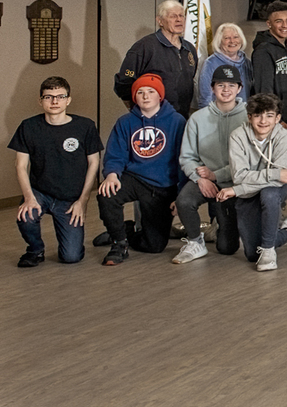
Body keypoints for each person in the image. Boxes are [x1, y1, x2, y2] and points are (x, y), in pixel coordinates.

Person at [221, 93, 287, 272]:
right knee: (251, 254)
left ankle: (268, 250)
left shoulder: (283, 136)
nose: (263, 121)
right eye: (257, 115)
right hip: (247, 192)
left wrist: (237, 190)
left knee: (270, 193)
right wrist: (272, 175)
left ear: (278, 118)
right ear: (249, 117)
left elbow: (280, 180)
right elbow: (240, 177)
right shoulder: (237, 136)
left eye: (269, 115)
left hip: (274, 190)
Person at [97, 74, 187, 265]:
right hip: (135, 177)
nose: (145, 96)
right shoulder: (125, 122)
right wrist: (112, 175)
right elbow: (115, 154)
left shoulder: (177, 121)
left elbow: (183, 161)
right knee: (107, 194)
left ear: (160, 96)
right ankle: (118, 242)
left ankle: (126, 231)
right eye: (140, 92)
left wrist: (180, 195)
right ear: (134, 97)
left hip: (163, 185)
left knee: (154, 246)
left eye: (151, 92)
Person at [11, 77, 101, 267]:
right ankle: (35, 250)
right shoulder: (28, 126)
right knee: (26, 215)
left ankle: (72, 242)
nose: (54, 101)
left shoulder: (85, 126)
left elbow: (94, 163)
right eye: (48, 97)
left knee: (71, 257)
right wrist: (29, 198)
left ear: (68, 100)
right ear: (40, 100)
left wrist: (82, 201)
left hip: (69, 198)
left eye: (60, 96)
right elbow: (20, 166)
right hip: (40, 192)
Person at [172, 65, 246, 264]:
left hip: (235, 181)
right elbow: (186, 157)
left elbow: (250, 159)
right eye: (220, 85)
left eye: (232, 85)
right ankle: (196, 242)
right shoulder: (197, 118)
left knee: (227, 248)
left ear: (239, 88)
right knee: (184, 201)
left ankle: (224, 225)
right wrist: (200, 179)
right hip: (205, 178)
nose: (226, 89)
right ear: (212, 88)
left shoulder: (249, 116)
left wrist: (216, 175)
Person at [114, 0, 197, 113]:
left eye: (181, 16)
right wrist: (135, 110)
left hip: (182, 119)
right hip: (152, 119)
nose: (179, 19)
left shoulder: (189, 49)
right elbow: (124, 81)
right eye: (173, 16)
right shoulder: (144, 47)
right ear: (160, 21)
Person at [250, 0, 287, 128]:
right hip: (277, 122)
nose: (285, 25)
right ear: (269, 24)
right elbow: (264, 91)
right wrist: (276, 119)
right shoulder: (262, 50)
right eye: (279, 21)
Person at [196, 22, 251, 108]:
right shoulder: (210, 63)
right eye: (227, 38)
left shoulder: (247, 63)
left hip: (244, 113)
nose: (232, 41)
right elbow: (205, 97)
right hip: (218, 115)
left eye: (236, 37)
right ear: (219, 41)